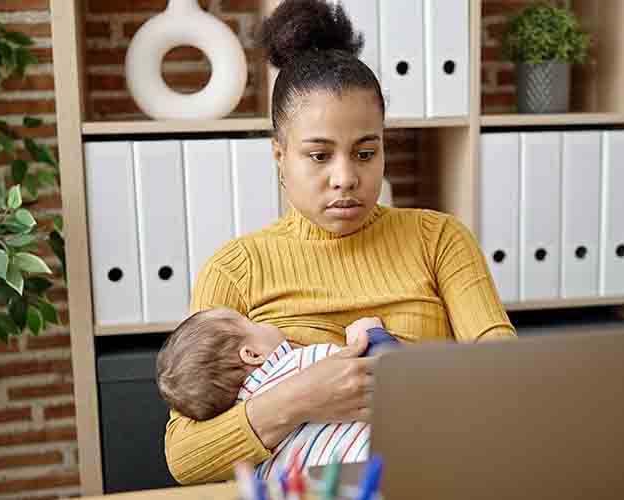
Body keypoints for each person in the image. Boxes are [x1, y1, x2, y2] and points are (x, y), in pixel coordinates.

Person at [164, 0, 516, 484]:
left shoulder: (440, 240)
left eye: (366, 152)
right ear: (280, 156)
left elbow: (510, 380)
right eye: (319, 155)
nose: (346, 178)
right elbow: (186, 458)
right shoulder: (235, 269)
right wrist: (304, 397)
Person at [156, 309, 388, 478]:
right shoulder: (301, 364)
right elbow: (388, 375)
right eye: (251, 322)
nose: (263, 323)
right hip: (377, 474)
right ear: (253, 354)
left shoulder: (253, 460)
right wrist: (373, 334)